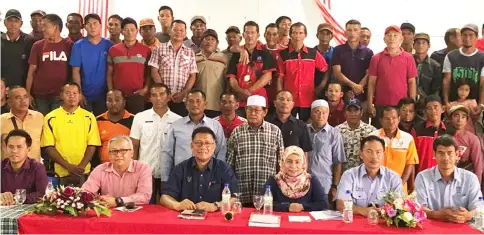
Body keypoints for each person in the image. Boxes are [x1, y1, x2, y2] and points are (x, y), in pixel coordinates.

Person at [161, 127, 238, 212]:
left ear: (214, 146)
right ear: (192, 146)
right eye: (198, 143)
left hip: (214, 220)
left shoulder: (224, 169)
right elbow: (165, 197)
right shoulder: (181, 168)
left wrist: (215, 205)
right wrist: (177, 205)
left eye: (207, 143)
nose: (203, 147)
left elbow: (234, 198)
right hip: (186, 220)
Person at [41, 82, 101, 187]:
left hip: (84, 171)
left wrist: (81, 167)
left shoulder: (89, 117)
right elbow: (49, 147)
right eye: (68, 93)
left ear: (80, 96)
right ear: (61, 95)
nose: (71, 96)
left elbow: (92, 144)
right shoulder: (50, 117)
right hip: (60, 172)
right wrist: (68, 166)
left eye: (75, 93)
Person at [227, 95, 284, 205]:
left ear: (265, 112)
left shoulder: (275, 131)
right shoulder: (237, 132)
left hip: (266, 191)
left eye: (257, 110)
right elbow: (230, 165)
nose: (253, 113)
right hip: (242, 192)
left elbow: (281, 164)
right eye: (250, 109)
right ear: (245, 111)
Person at [130, 83, 182, 203]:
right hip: (145, 172)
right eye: (154, 95)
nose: (158, 98)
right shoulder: (140, 117)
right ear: (150, 98)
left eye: (162, 94)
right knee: (146, 207)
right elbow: (134, 146)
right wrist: (133, 170)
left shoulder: (178, 120)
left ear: (169, 96)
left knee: (168, 207)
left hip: (169, 173)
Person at [161, 89, 226, 183]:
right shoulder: (176, 125)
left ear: (205, 104)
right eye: (191, 101)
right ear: (186, 105)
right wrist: (165, 179)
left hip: (209, 177)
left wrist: (218, 174)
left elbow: (221, 151)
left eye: (198, 101)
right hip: (181, 177)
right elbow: (167, 153)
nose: (195, 104)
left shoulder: (215, 125)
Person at [415, 135, 482, 223]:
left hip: (463, 227)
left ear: (457, 154)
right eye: (441, 153)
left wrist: (467, 215)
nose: (446, 158)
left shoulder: (470, 178)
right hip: (432, 228)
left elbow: (479, 206)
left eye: (450, 153)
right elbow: (417, 207)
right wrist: (436, 214)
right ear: (434, 154)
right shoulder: (422, 177)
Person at [336, 135, 403, 217]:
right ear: (361, 154)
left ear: (383, 155)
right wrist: (362, 210)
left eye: (378, 152)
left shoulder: (393, 177)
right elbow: (340, 205)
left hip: (383, 223)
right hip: (355, 225)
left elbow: (399, 206)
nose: (374, 156)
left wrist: (383, 211)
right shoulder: (350, 175)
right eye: (369, 151)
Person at [367, 25, 417, 128]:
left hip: (401, 106)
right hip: (381, 104)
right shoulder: (376, 58)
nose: (392, 38)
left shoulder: (408, 58)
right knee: (380, 135)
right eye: (389, 35)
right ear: (384, 39)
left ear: (401, 38)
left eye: (395, 35)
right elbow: (371, 82)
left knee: (400, 136)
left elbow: (412, 81)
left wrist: (412, 104)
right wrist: (369, 103)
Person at [276, 22, 328, 122]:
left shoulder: (313, 53)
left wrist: (321, 86)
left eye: (300, 33)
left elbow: (325, 69)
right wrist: (280, 96)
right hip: (289, 101)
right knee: (287, 126)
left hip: (308, 99)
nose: (297, 36)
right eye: (295, 33)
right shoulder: (283, 54)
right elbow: (280, 77)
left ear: (305, 35)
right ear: (290, 34)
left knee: (307, 128)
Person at [82, 135, 152, 207]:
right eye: (114, 151)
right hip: (109, 214)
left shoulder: (143, 168)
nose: (118, 155)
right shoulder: (100, 169)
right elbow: (85, 192)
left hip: (135, 214)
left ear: (132, 153)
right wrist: (97, 200)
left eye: (123, 150)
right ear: (109, 155)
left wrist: (118, 201)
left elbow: (144, 197)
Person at [226, 21, 275, 118]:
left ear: (258, 35)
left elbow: (267, 76)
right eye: (247, 32)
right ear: (243, 35)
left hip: (259, 101)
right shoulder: (237, 53)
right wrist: (240, 91)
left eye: (253, 33)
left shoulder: (265, 53)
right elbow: (231, 77)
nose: (250, 35)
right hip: (239, 101)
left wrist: (248, 92)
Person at [149, 19, 198, 117]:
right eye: (175, 29)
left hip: (182, 100)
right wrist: (165, 92)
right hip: (162, 99)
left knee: (180, 128)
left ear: (185, 34)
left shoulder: (190, 52)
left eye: (181, 30)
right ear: (170, 31)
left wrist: (184, 93)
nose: (178, 32)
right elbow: (154, 71)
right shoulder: (159, 48)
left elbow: (192, 75)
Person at [26, 14, 72, 115]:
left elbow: (73, 70)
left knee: (56, 125)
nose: (42, 29)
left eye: (45, 26)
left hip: (60, 95)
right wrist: (28, 94)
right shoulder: (38, 45)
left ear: (55, 27)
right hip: (40, 95)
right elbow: (31, 71)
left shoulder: (68, 45)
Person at [70, 13, 114, 116]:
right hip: (85, 94)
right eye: (89, 24)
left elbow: (112, 70)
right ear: (84, 27)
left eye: (95, 23)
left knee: (102, 123)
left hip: (104, 94)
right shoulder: (78, 46)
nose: (92, 27)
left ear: (101, 26)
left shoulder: (109, 45)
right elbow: (75, 70)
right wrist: (79, 93)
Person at [369, 106, 419, 193]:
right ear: (381, 120)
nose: (391, 121)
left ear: (399, 119)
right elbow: (367, 161)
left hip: (399, 189)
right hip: (375, 187)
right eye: (387, 118)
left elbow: (410, 164)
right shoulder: (372, 137)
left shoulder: (408, 138)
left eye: (394, 118)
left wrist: (399, 184)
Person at [107, 17, 151, 115]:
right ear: (122, 32)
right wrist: (111, 91)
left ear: (137, 31)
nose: (129, 32)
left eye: (132, 30)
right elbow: (109, 73)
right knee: (117, 125)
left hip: (137, 96)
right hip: (118, 97)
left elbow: (148, 73)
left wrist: (145, 89)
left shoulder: (146, 50)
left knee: (136, 125)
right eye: (126, 30)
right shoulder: (113, 50)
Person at [307, 99, 346, 207]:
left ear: (328, 114)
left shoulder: (334, 134)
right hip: (304, 184)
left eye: (324, 112)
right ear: (311, 113)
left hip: (325, 185)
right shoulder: (304, 130)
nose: (321, 115)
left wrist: (335, 186)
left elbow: (338, 162)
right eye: (317, 111)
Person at [265, 146, 327, 212]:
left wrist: (302, 207)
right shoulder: (274, 180)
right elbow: (264, 202)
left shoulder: (311, 180)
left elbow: (322, 204)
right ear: (283, 163)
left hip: (306, 221)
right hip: (281, 220)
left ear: (303, 163)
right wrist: (287, 207)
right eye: (289, 161)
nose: (293, 166)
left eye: (297, 162)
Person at [332, 20, 373, 118]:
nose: (352, 33)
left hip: (362, 96)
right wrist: (353, 86)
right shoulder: (338, 50)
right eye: (349, 30)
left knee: (362, 126)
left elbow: (369, 74)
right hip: (342, 95)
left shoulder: (368, 52)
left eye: (355, 30)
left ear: (360, 32)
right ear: (345, 32)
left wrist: (358, 87)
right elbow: (337, 72)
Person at [442, 24, 484, 115]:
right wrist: (446, 102)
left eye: (471, 35)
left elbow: (482, 84)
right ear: (461, 36)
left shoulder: (482, 57)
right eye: (464, 35)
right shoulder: (451, 56)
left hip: (474, 106)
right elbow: (446, 80)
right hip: (454, 105)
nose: (467, 38)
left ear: (477, 37)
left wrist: (481, 104)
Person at [1, 130, 47, 205]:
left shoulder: (37, 168)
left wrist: (15, 198)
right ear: (6, 148)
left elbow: (42, 194)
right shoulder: (1, 167)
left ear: (28, 149)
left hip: (30, 212)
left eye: (19, 147)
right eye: (10, 147)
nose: (14, 151)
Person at [1, 86, 44, 162]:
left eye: (26, 97)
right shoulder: (2, 120)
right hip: (9, 170)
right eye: (18, 98)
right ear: (9, 102)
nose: (23, 101)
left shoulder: (39, 117)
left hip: (34, 169)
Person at [414, 95, 455, 173]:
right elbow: (412, 159)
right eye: (429, 108)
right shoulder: (417, 130)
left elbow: (454, 156)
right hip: (422, 176)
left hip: (445, 176)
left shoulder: (450, 131)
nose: (433, 110)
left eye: (436, 107)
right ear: (425, 111)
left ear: (442, 109)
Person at [195, 29, 228, 118]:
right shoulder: (194, 58)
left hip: (217, 105)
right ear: (202, 42)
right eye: (206, 39)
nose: (209, 42)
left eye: (212, 39)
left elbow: (228, 81)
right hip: (197, 106)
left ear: (217, 43)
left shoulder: (224, 58)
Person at [336, 98, 376, 172]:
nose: (353, 114)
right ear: (344, 113)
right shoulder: (337, 131)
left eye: (356, 110)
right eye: (349, 110)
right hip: (343, 175)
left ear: (361, 112)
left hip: (365, 174)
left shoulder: (371, 131)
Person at [96, 90, 134, 165]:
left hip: (127, 167)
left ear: (124, 102)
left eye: (117, 100)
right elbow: (94, 147)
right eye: (109, 100)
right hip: (104, 167)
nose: (113, 103)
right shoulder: (98, 120)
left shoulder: (134, 120)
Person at [449, 105, 483, 183]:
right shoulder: (444, 136)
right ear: (450, 119)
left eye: (463, 117)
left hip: (465, 181)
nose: (459, 120)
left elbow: (478, 165)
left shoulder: (472, 139)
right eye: (456, 115)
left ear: (467, 121)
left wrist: (476, 186)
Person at [1, 9, 35, 88]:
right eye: (10, 21)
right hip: (2, 89)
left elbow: (32, 68)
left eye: (16, 21)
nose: (13, 24)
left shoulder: (29, 41)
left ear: (21, 23)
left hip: (22, 89)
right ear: (4, 22)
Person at [413, 33, 442, 109]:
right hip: (408, 103)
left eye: (424, 43)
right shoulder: (407, 62)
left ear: (429, 46)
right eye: (418, 43)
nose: (421, 45)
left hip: (426, 105)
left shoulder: (435, 66)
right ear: (413, 45)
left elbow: (436, 90)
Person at [314, 23, 335, 98]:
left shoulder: (336, 52)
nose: (324, 37)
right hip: (314, 89)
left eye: (327, 34)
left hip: (332, 91)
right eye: (322, 33)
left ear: (331, 36)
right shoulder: (311, 52)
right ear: (317, 35)